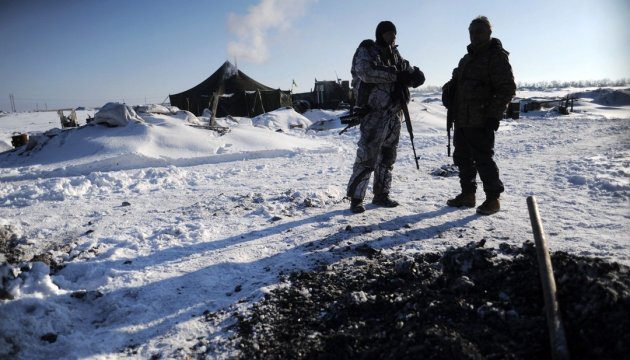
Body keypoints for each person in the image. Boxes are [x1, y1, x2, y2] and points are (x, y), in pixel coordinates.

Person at [346, 21, 425, 213]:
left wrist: (414, 74)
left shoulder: (395, 54)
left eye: (394, 34)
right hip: (373, 113)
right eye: (388, 33)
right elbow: (366, 72)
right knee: (367, 156)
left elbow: (405, 68)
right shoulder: (367, 49)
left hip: (393, 113)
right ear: (380, 34)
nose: (392, 37)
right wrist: (397, 75)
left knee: (388, 156)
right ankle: (356, 198)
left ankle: (381, 195)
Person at [442, 16, 515, 215]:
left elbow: (506, 88)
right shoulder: (466, 59)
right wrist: (448, 91)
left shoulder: (496, 56)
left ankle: (493, 199)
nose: (475, 36)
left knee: (483, 158)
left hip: (481, 119)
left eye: (479, 32)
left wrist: (494, 115)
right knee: (462, 158)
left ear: (489, 33)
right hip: (462, 118)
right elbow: (455, 82)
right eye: (472, 32)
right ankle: (468, 194)